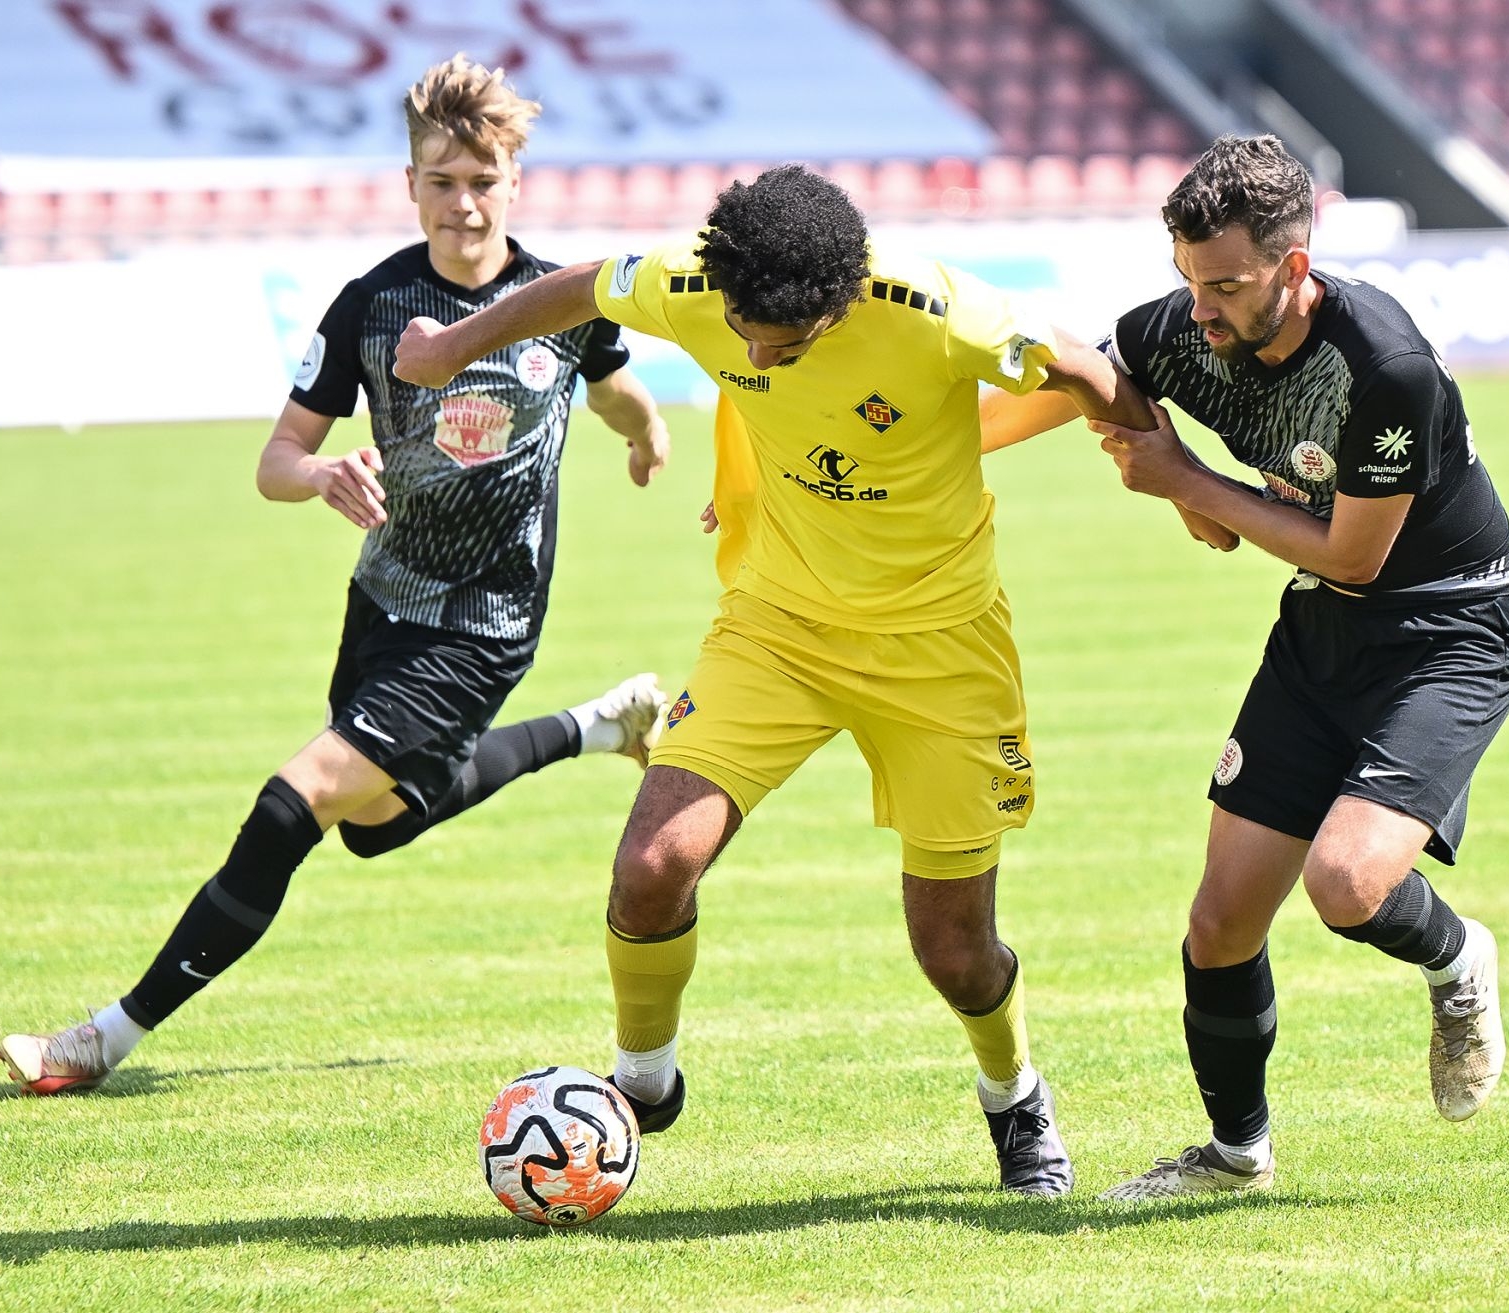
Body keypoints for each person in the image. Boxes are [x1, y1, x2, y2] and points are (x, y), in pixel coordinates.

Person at [393, 164, 1161, 1196]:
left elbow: (1085, 369)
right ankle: (643, 1082)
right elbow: (579, 286)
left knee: (954, 950)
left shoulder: (940, 312)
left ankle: (1013, 1092)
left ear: (840, 304)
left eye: (783, 345)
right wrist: (451, 346)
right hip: (777, 628)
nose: (755, 358)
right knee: (653, 864)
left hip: (941, 651)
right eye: (743, 336)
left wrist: (1183, 489)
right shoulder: (696, 280)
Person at [0, 56, 673, 1095]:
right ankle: (601, 725)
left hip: (484, 625)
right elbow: (277, 459)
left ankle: (103, 1036)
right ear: (410, 184)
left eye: (482, 181)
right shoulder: (372, 303)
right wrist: (320, 474)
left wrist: (645, 435)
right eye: (441, 181)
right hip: (383, 601)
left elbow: (617, 388)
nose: (463, 204)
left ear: (515, 182)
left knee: (296, 800)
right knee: (376, 821)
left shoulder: (559, 303)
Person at [997, 135, 1509, 1199]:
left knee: (1346, 884)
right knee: (1220, 922)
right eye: (1188, 279)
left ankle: (1457, 957)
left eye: (1227, 286)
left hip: (1450, 631)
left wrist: (1190, 483)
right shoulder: (1189, 321)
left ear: (1294, 264)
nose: (1199, 310)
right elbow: (1090, 375)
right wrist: (913, 452)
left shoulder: (1384, 365)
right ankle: (1236, 1155)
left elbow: (1355, 553)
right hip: (1323, 630)